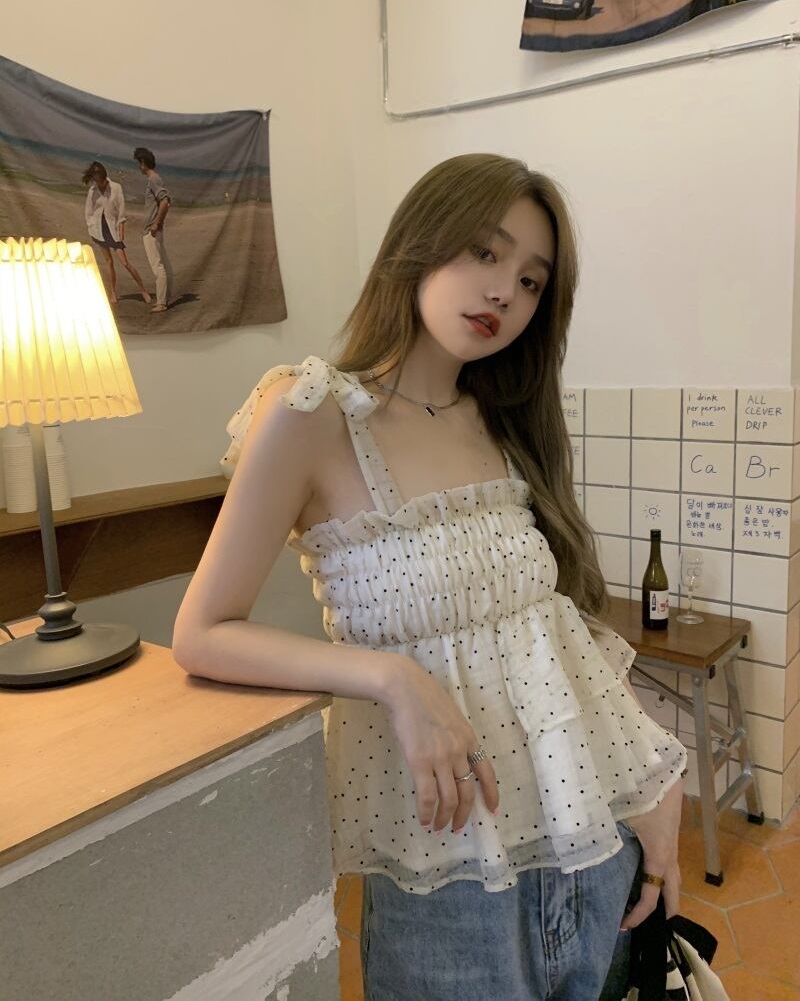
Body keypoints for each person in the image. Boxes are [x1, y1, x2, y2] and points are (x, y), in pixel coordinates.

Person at [173, 154, 687, 1001]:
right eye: (484, 253)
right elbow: (202, 633)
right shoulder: (313, 412)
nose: (504, 293)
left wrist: (657, 789)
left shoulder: (504, 420)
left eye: (531, 281)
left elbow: (553, 629)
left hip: (589, 836)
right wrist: (392, 678)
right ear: (419, 243)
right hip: (446, 865)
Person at [82, 161, 152, 305]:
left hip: (112, 229)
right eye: (95, 179)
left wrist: (121, 230)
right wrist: (91, 226)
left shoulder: (116, 188)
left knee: (125, 263)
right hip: (98, 230)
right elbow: (88, 212)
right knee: (109, 262)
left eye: (100, 179)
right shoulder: (92, 191)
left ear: (104, 176)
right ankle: (112, 292)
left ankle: (143, 290)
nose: (98, 182)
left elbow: (121, 211)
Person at [133, 146, 174, 313]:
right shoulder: (155, 179)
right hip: (154, 229)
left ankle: (162, 302)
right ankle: (164, 299)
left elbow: (165, 202)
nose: (138, 166)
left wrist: (156, 223)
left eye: (139, 163)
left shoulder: (153, 179)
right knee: (162, 264)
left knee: (158, 266)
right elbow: (165, 201)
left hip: (152, 230)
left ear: (143, 163)